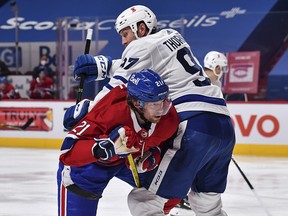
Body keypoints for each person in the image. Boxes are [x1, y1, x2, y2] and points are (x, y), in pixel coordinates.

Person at [70, 5, 235, 216]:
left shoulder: (142, 47)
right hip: (223, 125)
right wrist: (103, 65)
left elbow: (118, 87)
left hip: (192, 124)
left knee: (144, 202)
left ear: (141, 28)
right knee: (207, 205)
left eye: (125, 33)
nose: (123, 41)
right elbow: (146, 62)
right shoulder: (172, 36)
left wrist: (87, 112)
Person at [57, 69, 179, 216]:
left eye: (163, 101)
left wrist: (153, 154)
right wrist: (99, 149)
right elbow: (67, 152)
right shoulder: (110, 114)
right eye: (154, 104)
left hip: (126, 162)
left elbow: (160, 143)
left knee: (171, 186)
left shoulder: (169, 118)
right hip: (89, 169)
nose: (161, 109)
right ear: (137, 103)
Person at [169, 51, 229, 216]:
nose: (222, 72)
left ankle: (178, 196)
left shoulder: (203, 79)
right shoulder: (208, 84)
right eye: (221, 68)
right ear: (216, 67)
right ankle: (176, 197)